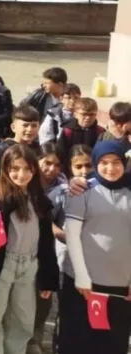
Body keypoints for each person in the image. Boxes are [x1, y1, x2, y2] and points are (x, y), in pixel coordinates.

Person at [0, 145, 59, 354]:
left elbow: (46, 242)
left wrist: (47, 276)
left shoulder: (40, 202)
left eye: (27, 169)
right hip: (1, 266)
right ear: (6, 169)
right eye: (15, 168)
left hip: (29, 266)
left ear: (34, 171)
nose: (21, 174)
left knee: (22, 321)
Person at [61, 140, 131, 353]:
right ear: (95, 164)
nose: (110, 168)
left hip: (120, 284)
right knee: (79, 340)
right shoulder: (82, 190)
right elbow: (72, 235)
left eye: (116, 162)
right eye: (104, 162)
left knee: (113, 341)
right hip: (85, 285)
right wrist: (82, 275)